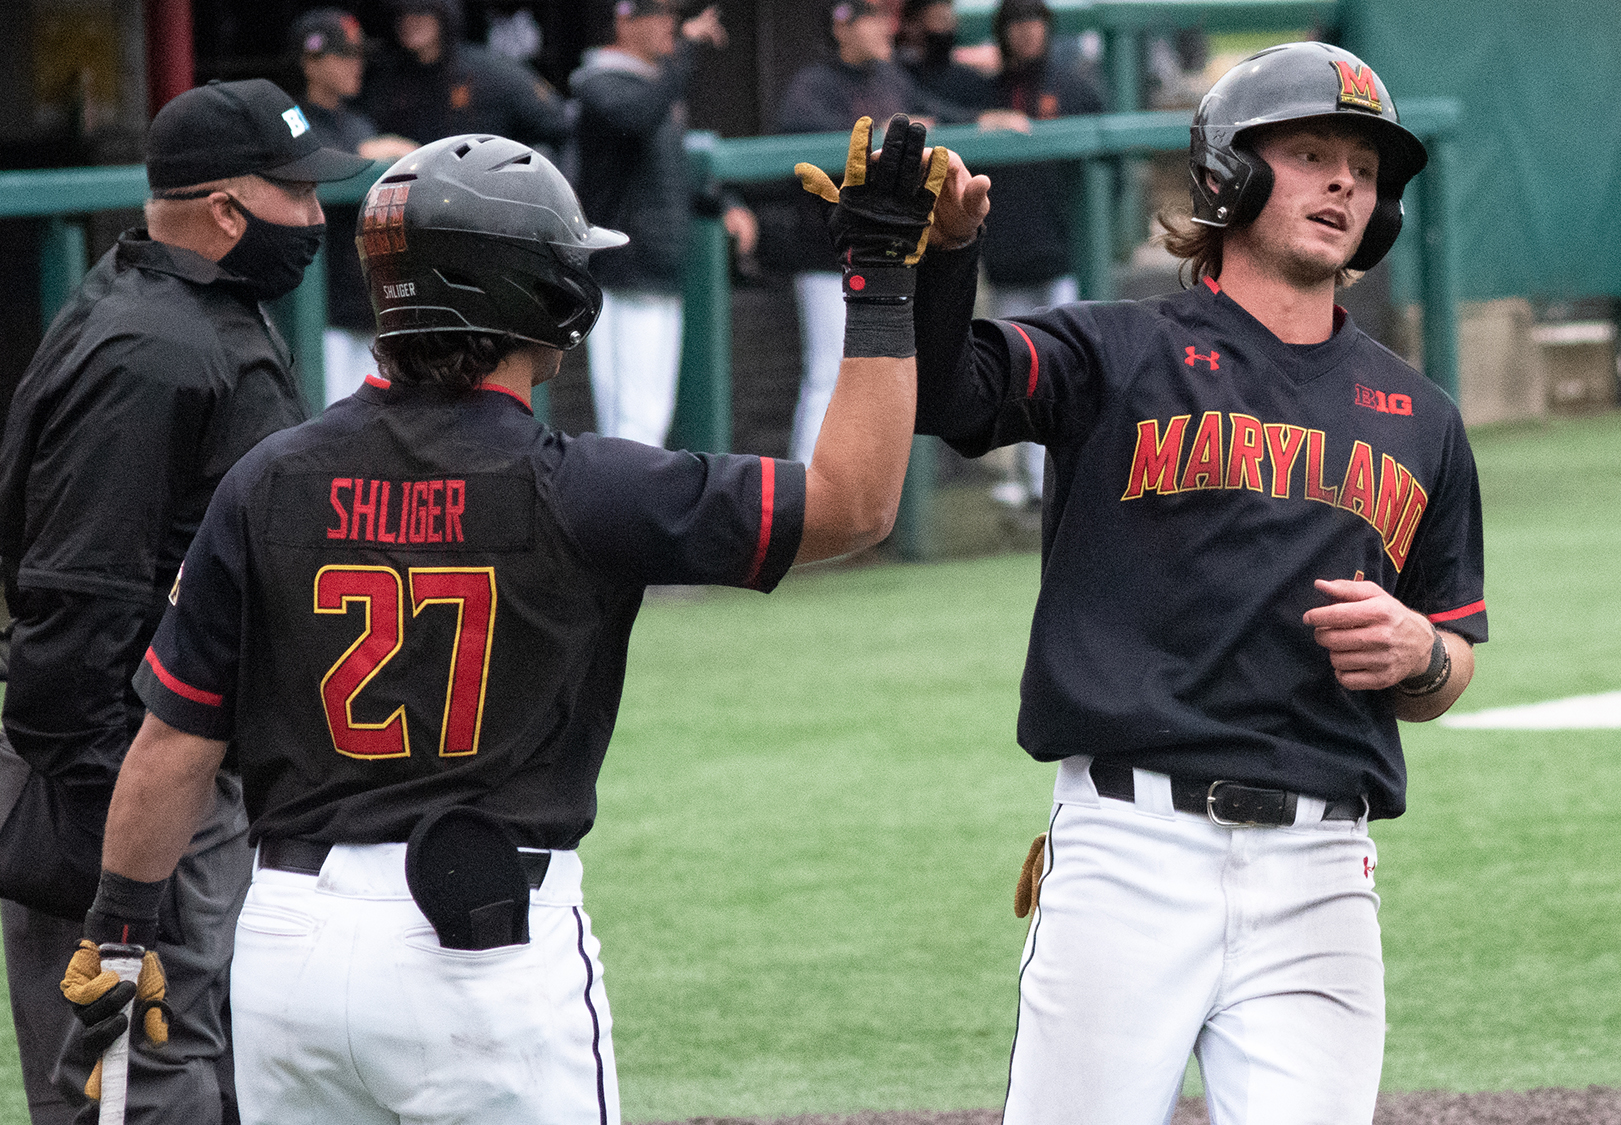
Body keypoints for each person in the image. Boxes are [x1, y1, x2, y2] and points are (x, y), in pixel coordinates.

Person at [61, 118, 974, 1124]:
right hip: (481, 959)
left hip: (286, 952)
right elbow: (856, 503)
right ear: (533, 294)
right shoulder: (584, 489)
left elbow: (174, 742)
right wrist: (881, 273)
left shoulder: (268, 480)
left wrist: (119, 932)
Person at [911, 43, 1486, 1125]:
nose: (1342, 186)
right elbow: (950, 395)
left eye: (1362, 169)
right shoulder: (1117, 353)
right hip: (1130, 851)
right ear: (1227, 174)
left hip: (1322, 869)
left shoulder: (1421, 421)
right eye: (1311, 154)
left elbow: (1451, 657)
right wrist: (944, 258)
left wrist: (1419, 652)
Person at [0, 78, 371, 1125]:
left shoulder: (176, 309)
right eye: (297, 193)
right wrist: (119, 844)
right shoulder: (157, 352)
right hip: (133, 788)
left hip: (170, 780)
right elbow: (77, 604)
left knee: (206, 1075)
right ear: (224, 210)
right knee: (135, 1087)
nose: (314, 216)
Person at [773, 0, 963, 465]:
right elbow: (797, 132)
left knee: (880, 371)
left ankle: (853, 485)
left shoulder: (891, 77)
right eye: (871, 19)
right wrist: (877, 134)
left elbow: (936, 112)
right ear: (843, 27)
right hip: (826, 252)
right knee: (827, 372)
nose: (884, 28)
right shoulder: (813, 85)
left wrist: (983, 118)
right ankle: (804, 484)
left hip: (887, 253)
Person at [571, 0, 756, 445]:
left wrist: (722, 203)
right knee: (629, 425)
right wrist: (683, 56)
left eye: (671, 16)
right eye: (656, 15)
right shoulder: (599, 82)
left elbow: (673, 169)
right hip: (618, 268)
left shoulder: (656, 86)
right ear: (625, 20)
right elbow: (635, 117)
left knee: (649, 418)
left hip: (658, 265)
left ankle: (622, 512)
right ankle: (615, 514)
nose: (669, 25)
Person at [977, 0, 1102, 509]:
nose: (1027, 33)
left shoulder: (1073, 87)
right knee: (1019, 375)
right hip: (1008, 257)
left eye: (1034, 23)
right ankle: (1034, 486)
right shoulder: (985, 92)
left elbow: (1108, 179)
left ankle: (1079, 482)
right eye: (1017, 24)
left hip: (1064, 255)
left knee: (1074, 370)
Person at [290, 7, 420, 403]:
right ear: (310, 62)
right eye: (344, 55)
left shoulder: (358, 122)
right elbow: (315, 162)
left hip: (368, 300)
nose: (356, 64)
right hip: (318, 308)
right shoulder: (292, 118)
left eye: (358, 54)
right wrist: (367, 153)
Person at [361, 0, 570, 149]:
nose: (409, 21)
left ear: (444, 13)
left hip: (487, 190)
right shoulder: (387, 80)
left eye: (421, 11)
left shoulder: (491, 71)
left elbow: (559, 125)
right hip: (417, 193)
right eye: (401, 13)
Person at [895, 0, 991, 114]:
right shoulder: (897, 75)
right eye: (939, 19)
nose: (948, 27)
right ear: (913, 25)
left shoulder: (970, 80)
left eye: (949, 19)